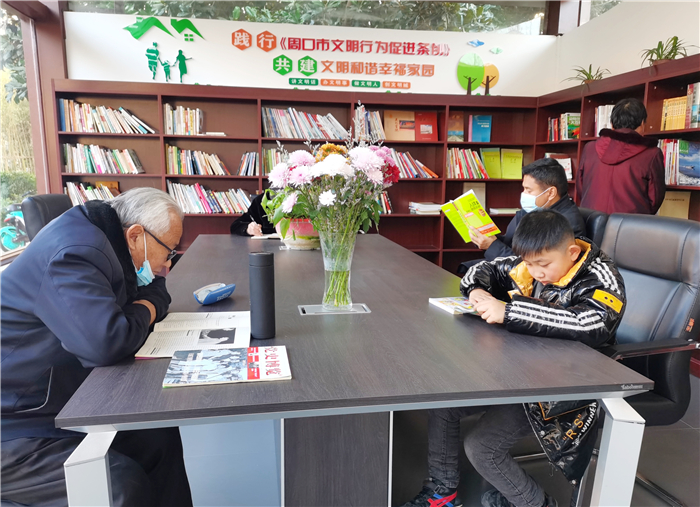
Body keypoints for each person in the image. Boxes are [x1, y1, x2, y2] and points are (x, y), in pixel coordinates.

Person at [402, 210, 626, 507]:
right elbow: (483, 268)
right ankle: (443, 491)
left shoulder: (601, 276)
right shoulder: (530, 263)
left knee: (481, 446)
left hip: (565, 387)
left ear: (572, 253)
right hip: (520, 368)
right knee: (443, 406)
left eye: (543, 265)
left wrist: (510, 312)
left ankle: (536, 503)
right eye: (529, 264)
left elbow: (592, 324)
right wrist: (477, 291)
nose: (535, 273)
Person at [1, 188, 193, 507]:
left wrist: (145, 304)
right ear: (135, 236)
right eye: (169, 251)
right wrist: (149, 305)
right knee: (118, 487)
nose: (166, 265)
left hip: (62, 401)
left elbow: (151, 294)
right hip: (16, 424)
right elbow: (107, 344)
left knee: (158, 436)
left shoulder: (108, 241)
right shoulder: (74, 253)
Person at [458, 158, 585, 275]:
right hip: (505, 268)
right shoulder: (533, 210)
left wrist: (491, 246)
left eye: (529, 190)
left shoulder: (567, 224)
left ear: (551, 192)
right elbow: (510, 243)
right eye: (523, 189)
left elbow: (533, 266)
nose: (524, 194)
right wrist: (485, 236)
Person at [577, 97, 665, 214]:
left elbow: (581, 187)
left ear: (612, 124)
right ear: (642, 123)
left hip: (591, 219)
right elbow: (655, 198)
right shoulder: (652, 154)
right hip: (630, 222)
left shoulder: (589, 148)